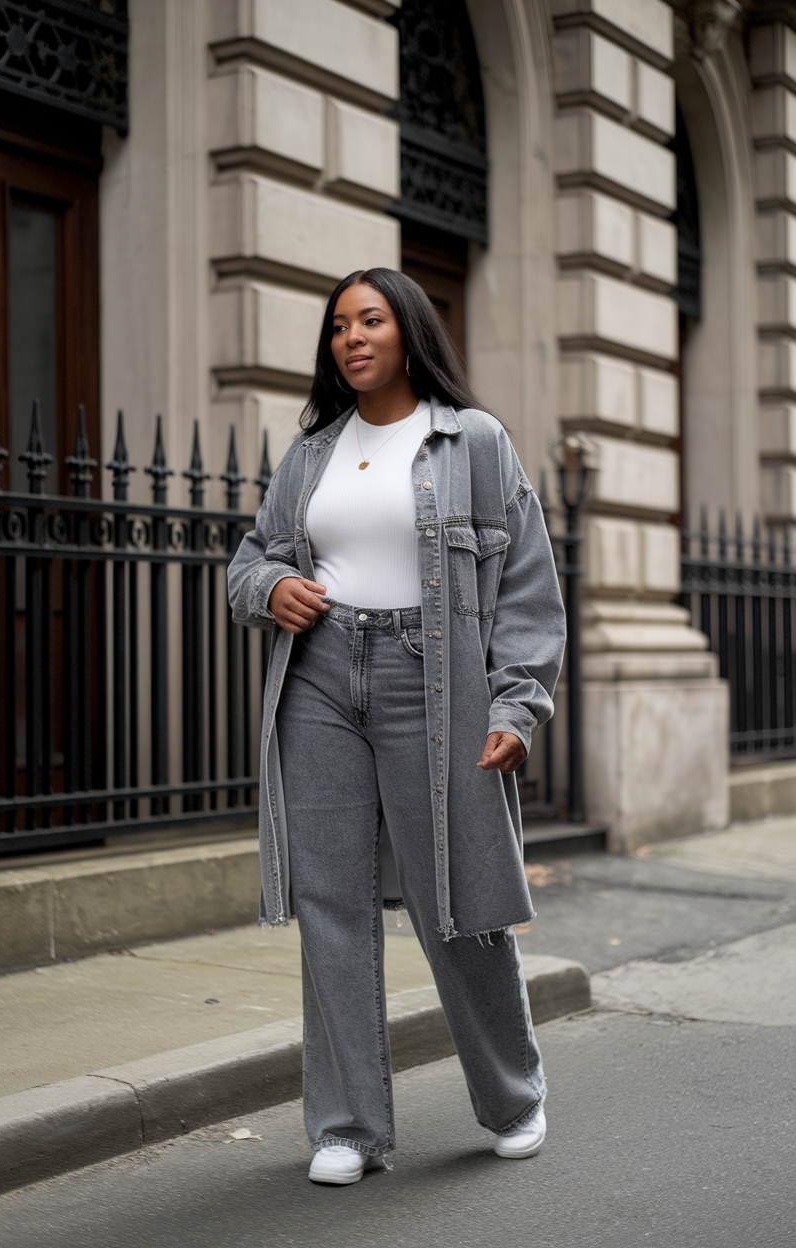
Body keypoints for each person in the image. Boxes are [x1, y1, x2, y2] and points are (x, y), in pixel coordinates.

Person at [227, 268, 566, 1185]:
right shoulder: (311, 453)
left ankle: (513, 1097)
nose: (352, 338)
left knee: (456, 899)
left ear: (409, 331)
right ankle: (346, 1127)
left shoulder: (473, 443)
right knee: (330, 903)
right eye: (339, 326)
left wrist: (517, 703)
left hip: (437, 681)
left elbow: (529, 588)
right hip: (322, 678)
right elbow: (249, 559)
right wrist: (272, 588)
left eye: (370, 320)